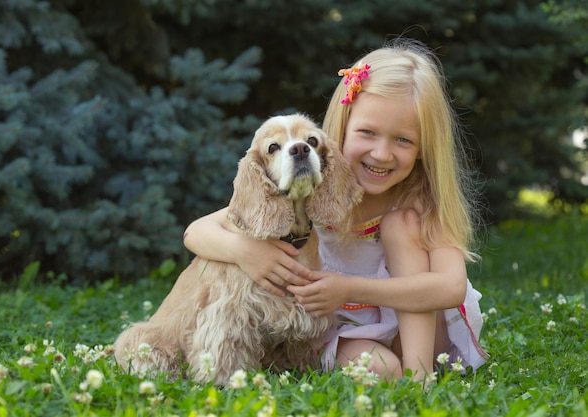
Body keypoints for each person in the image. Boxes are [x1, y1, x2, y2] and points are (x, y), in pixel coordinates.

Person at [183, 38, 489, 382]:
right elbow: (196, 232)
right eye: (368, 132)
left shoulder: (419, 199)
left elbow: (450, 287)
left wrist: (349, 288)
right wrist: (247, 252)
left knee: (401, 224)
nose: (382, 153)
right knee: (380, 370)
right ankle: (400, 373)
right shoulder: (312, 182)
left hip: (417, 331)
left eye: (403, 140)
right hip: (341, 329)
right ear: (341, 126)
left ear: (424, 148)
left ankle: (420, 378)